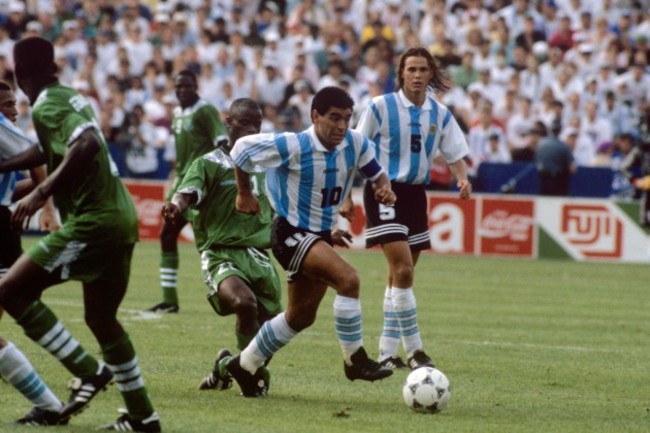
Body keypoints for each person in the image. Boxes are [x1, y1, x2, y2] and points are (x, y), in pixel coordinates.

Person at [0, 37, 160, 432]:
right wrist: (6, 166)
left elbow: (86, 144)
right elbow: (48, 150)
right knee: (102, 319)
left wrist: (40, 193)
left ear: (20, 74)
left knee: (10, 292)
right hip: (120, 218)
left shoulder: (46, 103)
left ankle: (89, 371)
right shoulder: (69, 96)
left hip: (94, 219)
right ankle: (143, 417)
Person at [226, 86, 395, 397]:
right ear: (315, 116)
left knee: (300, 316)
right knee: (348, 279)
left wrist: (384, 188)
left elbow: (377, 174)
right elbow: (240, 151)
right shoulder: (293, 145)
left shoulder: (355, 143)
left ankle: (244, 364)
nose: (342, 126)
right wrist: (244, 193)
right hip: (288, 233)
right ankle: (355, 360)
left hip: (317, 236)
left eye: (347, 118)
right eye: (334, 118)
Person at [355, 46, 472, 371]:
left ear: (431, 74)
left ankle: (386, 353)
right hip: (384, 190)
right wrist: (347, 197)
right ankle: (416, 350)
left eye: (423, 70)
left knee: (399, 276)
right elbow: (356, 148)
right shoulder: (380, 106)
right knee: (404, 270)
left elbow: (454, 153)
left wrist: (462, 179)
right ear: (401, 74)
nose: (418, 75)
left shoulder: (440, 114)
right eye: (412, 70)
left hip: (416, 194)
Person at [160, 98, 283, 391]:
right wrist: (176, 206)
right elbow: (186, 192)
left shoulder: (267, 164)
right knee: (244, 303)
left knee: (276, 330)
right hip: (220, 254)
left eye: (257, 124)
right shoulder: (208, 164)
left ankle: (225, 367)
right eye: (245, 123)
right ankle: (251, 378)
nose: (252, 129)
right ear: (229, 123)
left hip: (258, 254)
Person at [0, 79, 65, 426]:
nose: (13, 110)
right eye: (7, 104)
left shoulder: (3, 131)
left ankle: (61, 393)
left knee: (14, 301)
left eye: (13, 104)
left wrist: (46, 204)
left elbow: (38, 158)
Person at [148, 69, 227, 313]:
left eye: (187, 86)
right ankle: (169, 300)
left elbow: (222, 142)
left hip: (199, 184)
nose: (182, 90)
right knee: (167, 235)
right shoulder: (177, 113)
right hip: (181, 181)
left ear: (196, 87)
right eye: (178, 86)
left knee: (209, 240)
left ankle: (228, 288)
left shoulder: (205, 110)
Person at [535, 118, 576, 196]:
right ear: (560, 130)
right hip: (558, 182)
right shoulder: (563, 146)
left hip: (543, 180)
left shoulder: (541, 144)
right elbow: (572, 168)